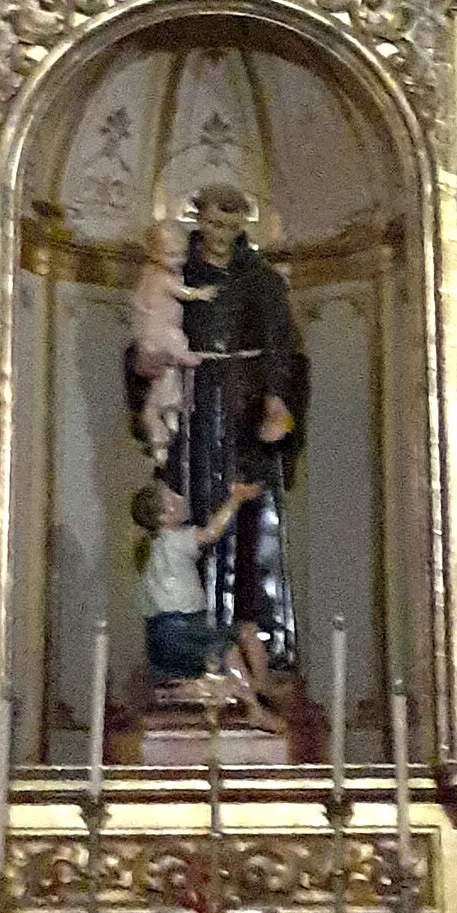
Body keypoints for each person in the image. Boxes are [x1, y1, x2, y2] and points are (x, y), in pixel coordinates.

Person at [129, 182, 308, 686]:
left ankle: (257, 645)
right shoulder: (171, 273)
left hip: (245, 408)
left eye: (232, 226)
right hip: (191, 403)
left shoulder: (262, 281)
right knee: (187, 510)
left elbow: (280, 345)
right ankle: (190, 654)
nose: (221, 235)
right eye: (211, 223)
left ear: (242, 227)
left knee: (249, 520)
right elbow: (144, 339)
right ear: (198, 221)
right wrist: (149, 361)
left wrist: (275, 398)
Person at [131, 478, 276, 727]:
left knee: (245, 632)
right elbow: (211, 533)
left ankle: (255, 691)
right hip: (176, 629)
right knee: (226, 650)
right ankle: (253, 707)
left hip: (178, 628)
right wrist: (235, 499)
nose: (179, 498)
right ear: (163, 519)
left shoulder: (157, 546)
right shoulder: (174, 540)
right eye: (171, 500)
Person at [129, 216, 220, 467]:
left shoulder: (155, 275)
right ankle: (165, 429)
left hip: (160, 340)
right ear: (155, 253)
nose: (178, 261)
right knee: (168, 370)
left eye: (181, 254)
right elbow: (183, 293)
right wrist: (201, 293)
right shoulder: (159, 277)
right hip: (161, 337)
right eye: (170, 254)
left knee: (165, 384)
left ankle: (167, 428)